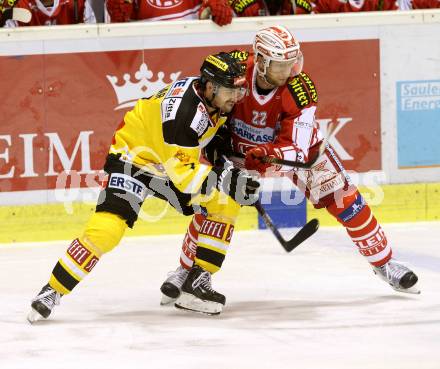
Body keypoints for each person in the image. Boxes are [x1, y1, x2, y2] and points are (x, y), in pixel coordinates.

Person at [161, 25, 420, 310]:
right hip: (236, 152)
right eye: (280, 66)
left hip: (296, 155)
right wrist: (215, 142)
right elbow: (208, 99)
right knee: (213, 205)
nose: (288, 71)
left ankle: (385, 263)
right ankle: (187, 271)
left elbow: (297, 147)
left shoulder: (300, 89)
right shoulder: (235, 70)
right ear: (260, 60)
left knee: (346, 201)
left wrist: (266, 153)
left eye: (291, 63)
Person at [27, 52, 260, 322]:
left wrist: (223, 158)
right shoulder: (183, 116)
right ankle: (51, 291)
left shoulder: (212, 96)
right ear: (210, 87)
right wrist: (227, 178)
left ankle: (190, 279)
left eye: (239, 89)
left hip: (167, 162)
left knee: (221, 202)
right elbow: (184, 178)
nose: (237, 97)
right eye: (232, 90)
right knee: (107, 229)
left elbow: (204, 143)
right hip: (133, 162)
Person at [105, 0, 233, 25]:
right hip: (148, 53)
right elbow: (119, 25)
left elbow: (220, 10)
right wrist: (119, 8)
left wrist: (216, 3)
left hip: (194, 50)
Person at [3, 0, 96, 26]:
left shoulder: (77, 3)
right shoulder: (17, 5)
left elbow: (93, 40)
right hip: (30, 67)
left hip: (73, 65)